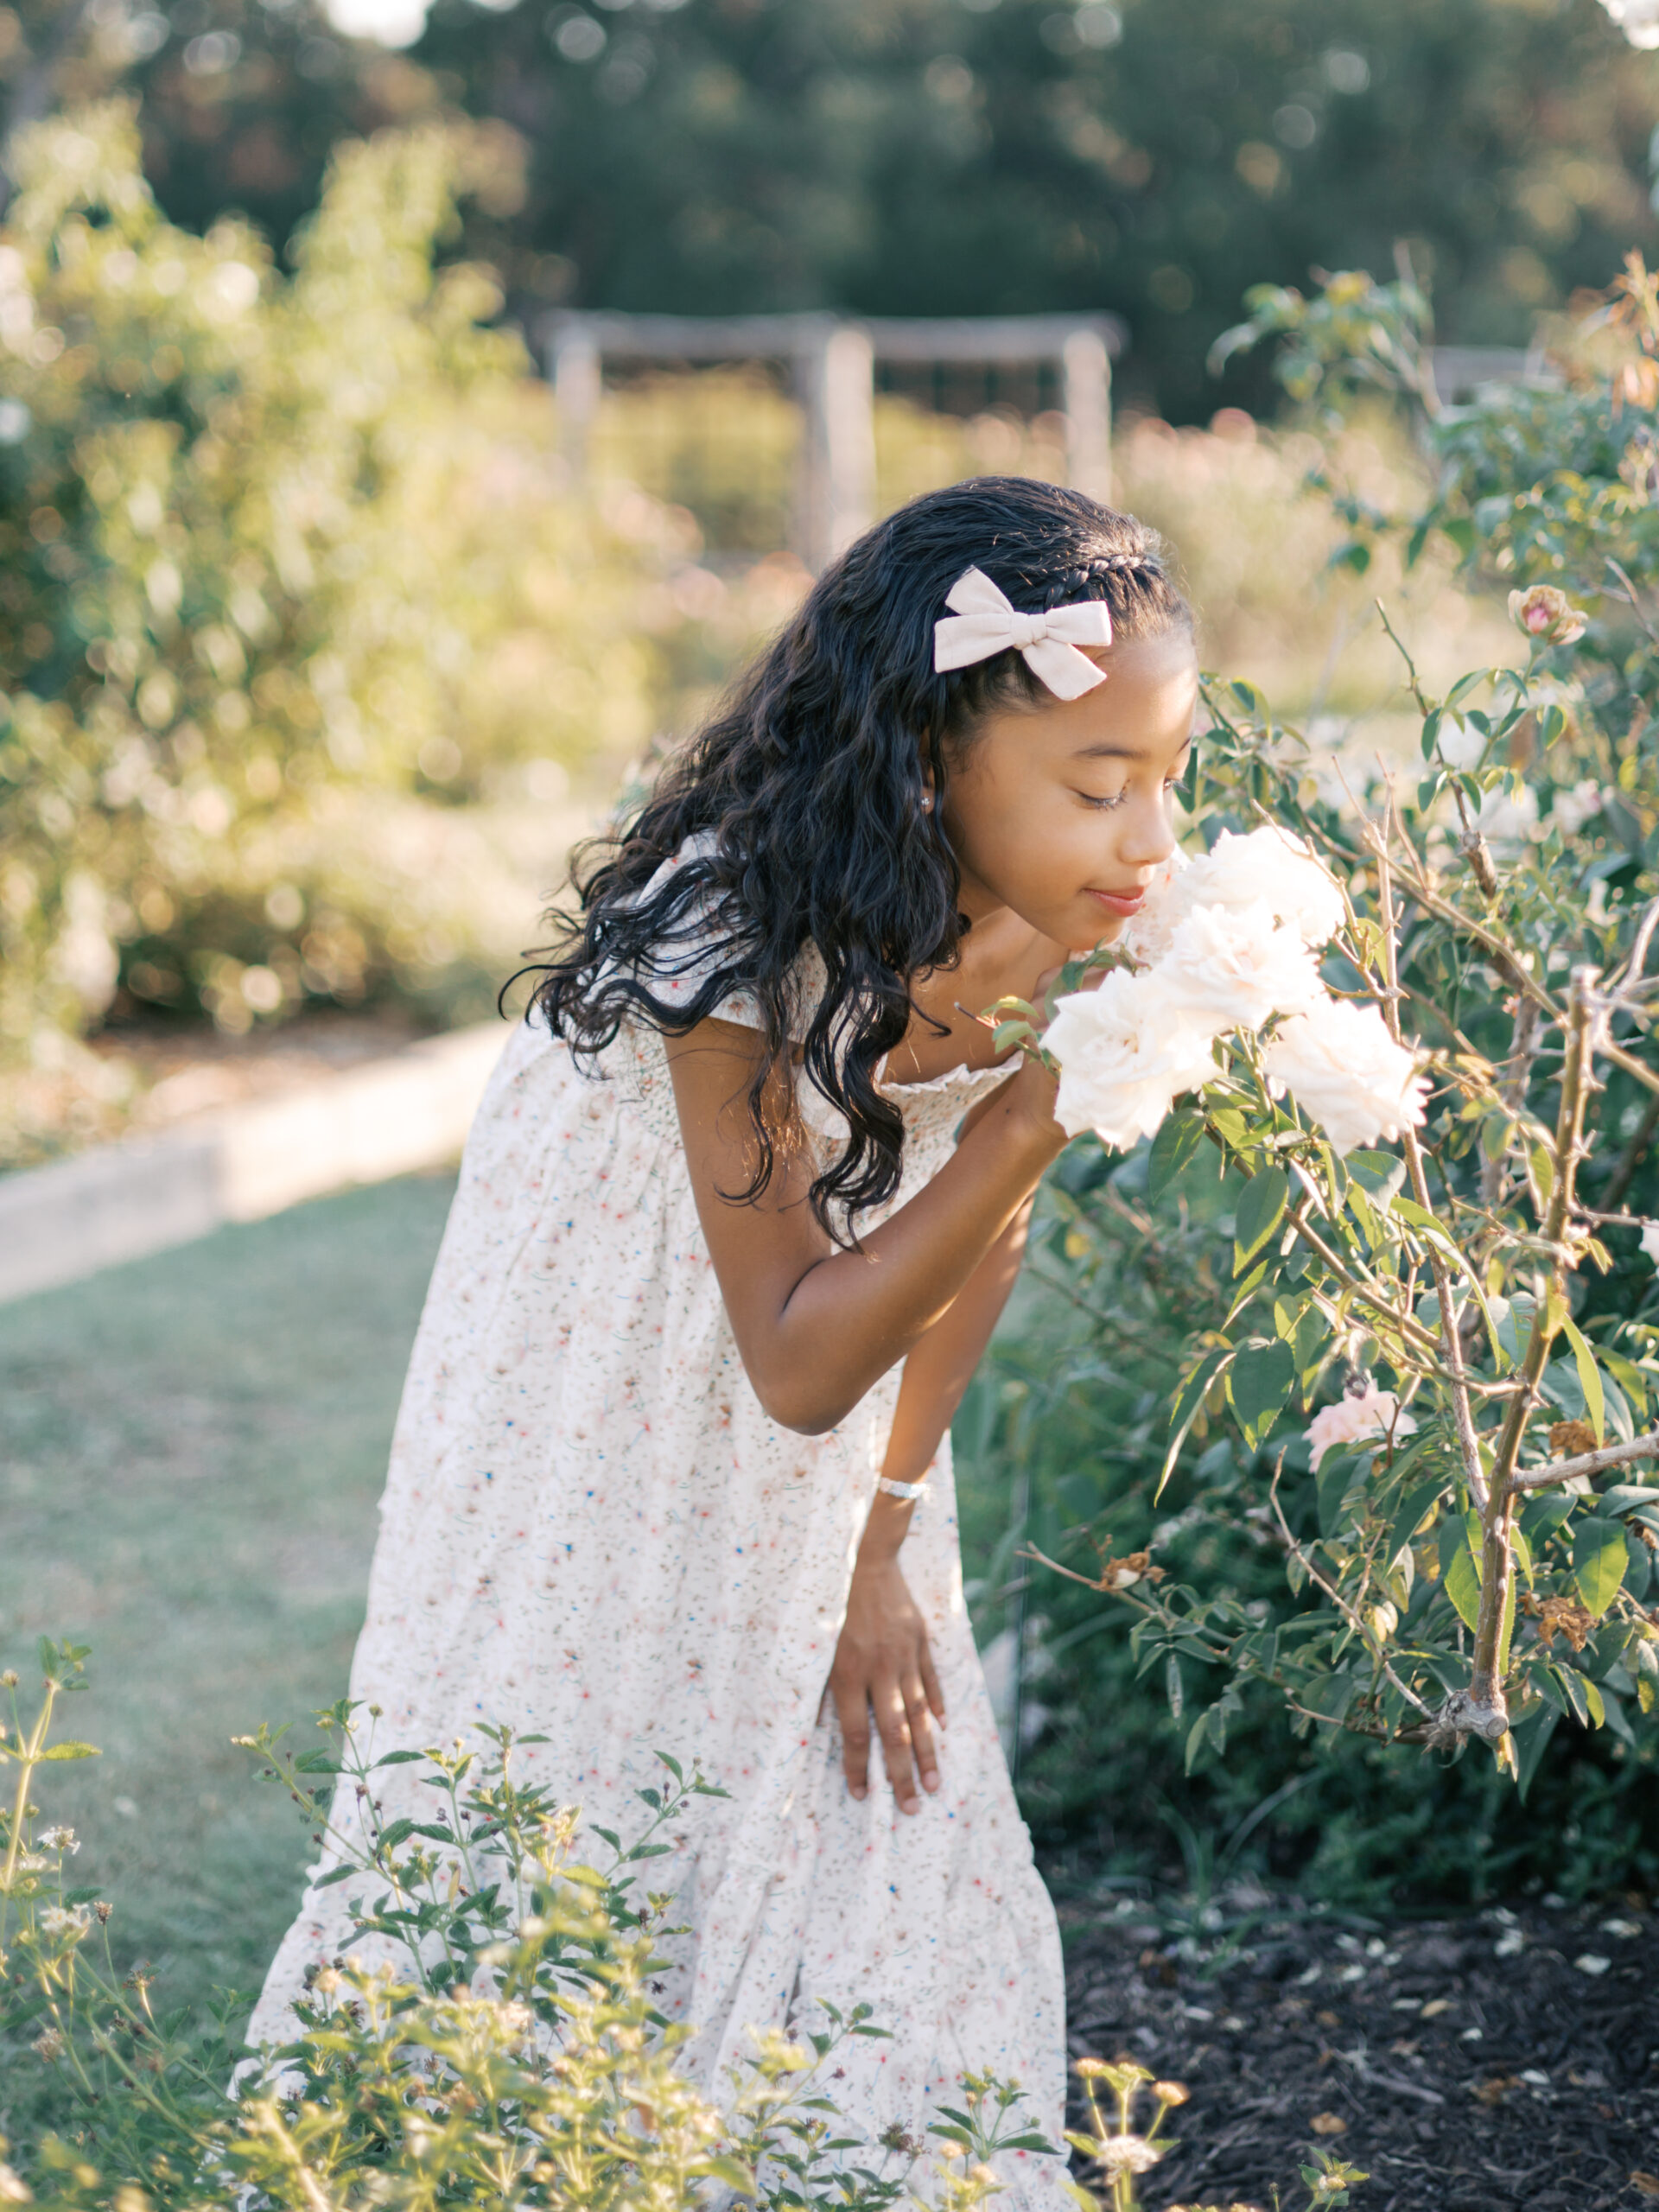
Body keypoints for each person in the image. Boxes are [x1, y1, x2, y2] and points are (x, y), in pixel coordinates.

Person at [246, 475, 1198, 2202]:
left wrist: (880, 1537)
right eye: (1099, 782)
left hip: (851, 1321)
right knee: (596, 1744)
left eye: (1170, 776)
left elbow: (970, 1247)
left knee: (871, 1771)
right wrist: (1047, 1107)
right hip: (609, 1367)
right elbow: (789, 1359)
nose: (1154, 840)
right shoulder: (725, 925)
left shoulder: (1068, 926)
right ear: (930, 762)